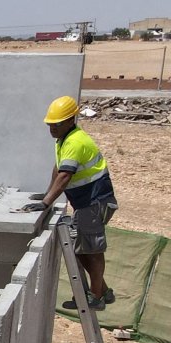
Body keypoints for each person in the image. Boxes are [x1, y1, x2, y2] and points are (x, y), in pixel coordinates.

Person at [29, 95, 119, 311]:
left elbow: (65, 176)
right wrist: (47, 196)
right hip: (86, 203)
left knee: (93, 252)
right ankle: (104, 291)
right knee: (81, 250)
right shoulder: (64, 141)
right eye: (50, 124)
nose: (52, 129)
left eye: (56, 124)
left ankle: (96, 297)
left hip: (94, 202)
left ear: (70, 120)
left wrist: (46, 202)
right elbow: (58, 169)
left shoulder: (76, 142)